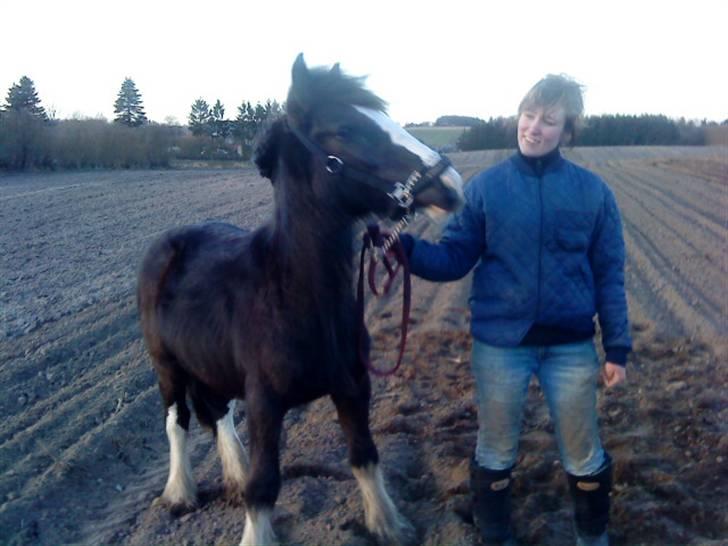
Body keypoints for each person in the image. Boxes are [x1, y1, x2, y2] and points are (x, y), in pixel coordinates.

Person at [398, 74, 631, 546]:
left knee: (583, 454)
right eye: (529, 116)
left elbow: (609, 274)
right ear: (517, 119)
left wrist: (617, 349)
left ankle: (592, 537)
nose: (534, 128)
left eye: (548, 120)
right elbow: (455, 258)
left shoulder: (593, 192)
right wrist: (403, 249)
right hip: (501, 345)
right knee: (496, 449)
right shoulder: (487, 189)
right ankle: (496, 536)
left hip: (570, 347)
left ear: (567, 132)